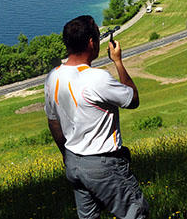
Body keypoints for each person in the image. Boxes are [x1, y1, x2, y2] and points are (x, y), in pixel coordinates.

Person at [44, 15, 149, 219]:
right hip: (103, 163)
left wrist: (66, 155)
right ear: (92, 43)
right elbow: (132, 99)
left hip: (74, 163)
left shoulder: (53, 77)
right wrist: (118, 62)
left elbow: (53, 122)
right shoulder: (97, 78)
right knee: (136, 213)